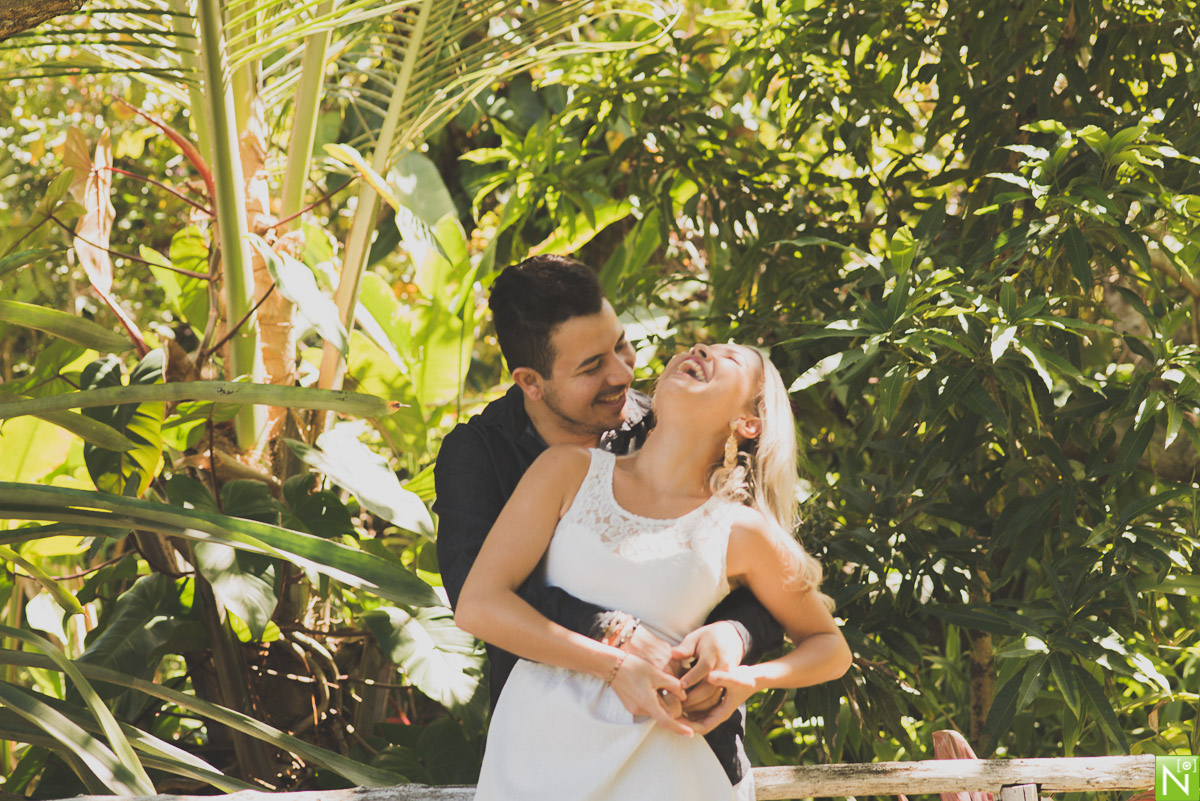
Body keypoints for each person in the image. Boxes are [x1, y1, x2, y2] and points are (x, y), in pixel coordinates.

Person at [433, 255, 784, 789]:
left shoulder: (681, 416)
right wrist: (615, 633)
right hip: (548, 753)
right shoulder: (477, 454)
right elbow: (478, 597)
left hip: (686, 746)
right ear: (531, 382)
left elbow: (768, 575)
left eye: (620, 345)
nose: (623, 374)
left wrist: (733, 635)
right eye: (592, 366)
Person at [456, 341, 852, 800]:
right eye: (702, 344)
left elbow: (829, 647)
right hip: (535, 758)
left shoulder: (741, 530)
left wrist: (751, 679)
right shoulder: (565, 470)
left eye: (731, 358)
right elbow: (478, 606)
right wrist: (615, 665)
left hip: (668, 765)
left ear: (749, 422)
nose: (702, 348)